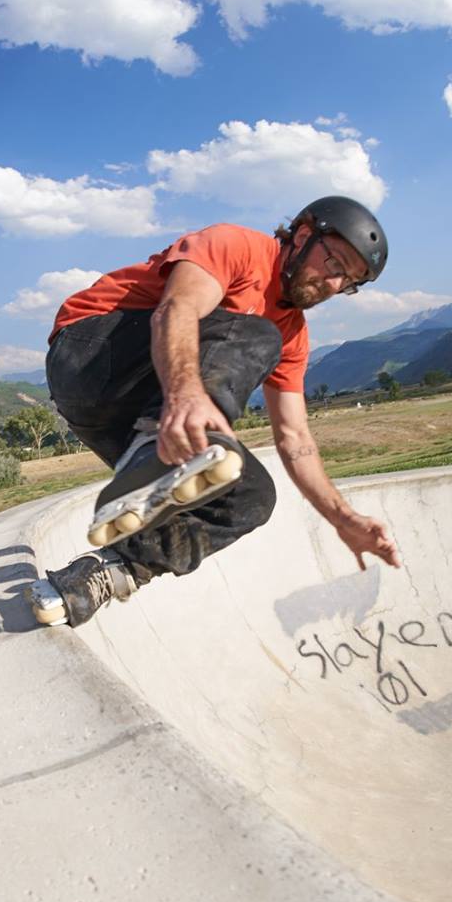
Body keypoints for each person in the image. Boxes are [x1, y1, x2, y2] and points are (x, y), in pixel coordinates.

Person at [26, 196, 403, 627]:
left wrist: (343, 518)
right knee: (259, 334)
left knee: (250, 496)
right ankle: (161, 443)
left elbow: (294, 436)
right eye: (335, 264)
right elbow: (177, 309)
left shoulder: (294, 334)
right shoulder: (237, 246)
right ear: (303, 235)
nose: (333, 285)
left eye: (349, 282)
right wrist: (185, 396)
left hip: (111, 418)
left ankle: (110, 570)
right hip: (90, 353)